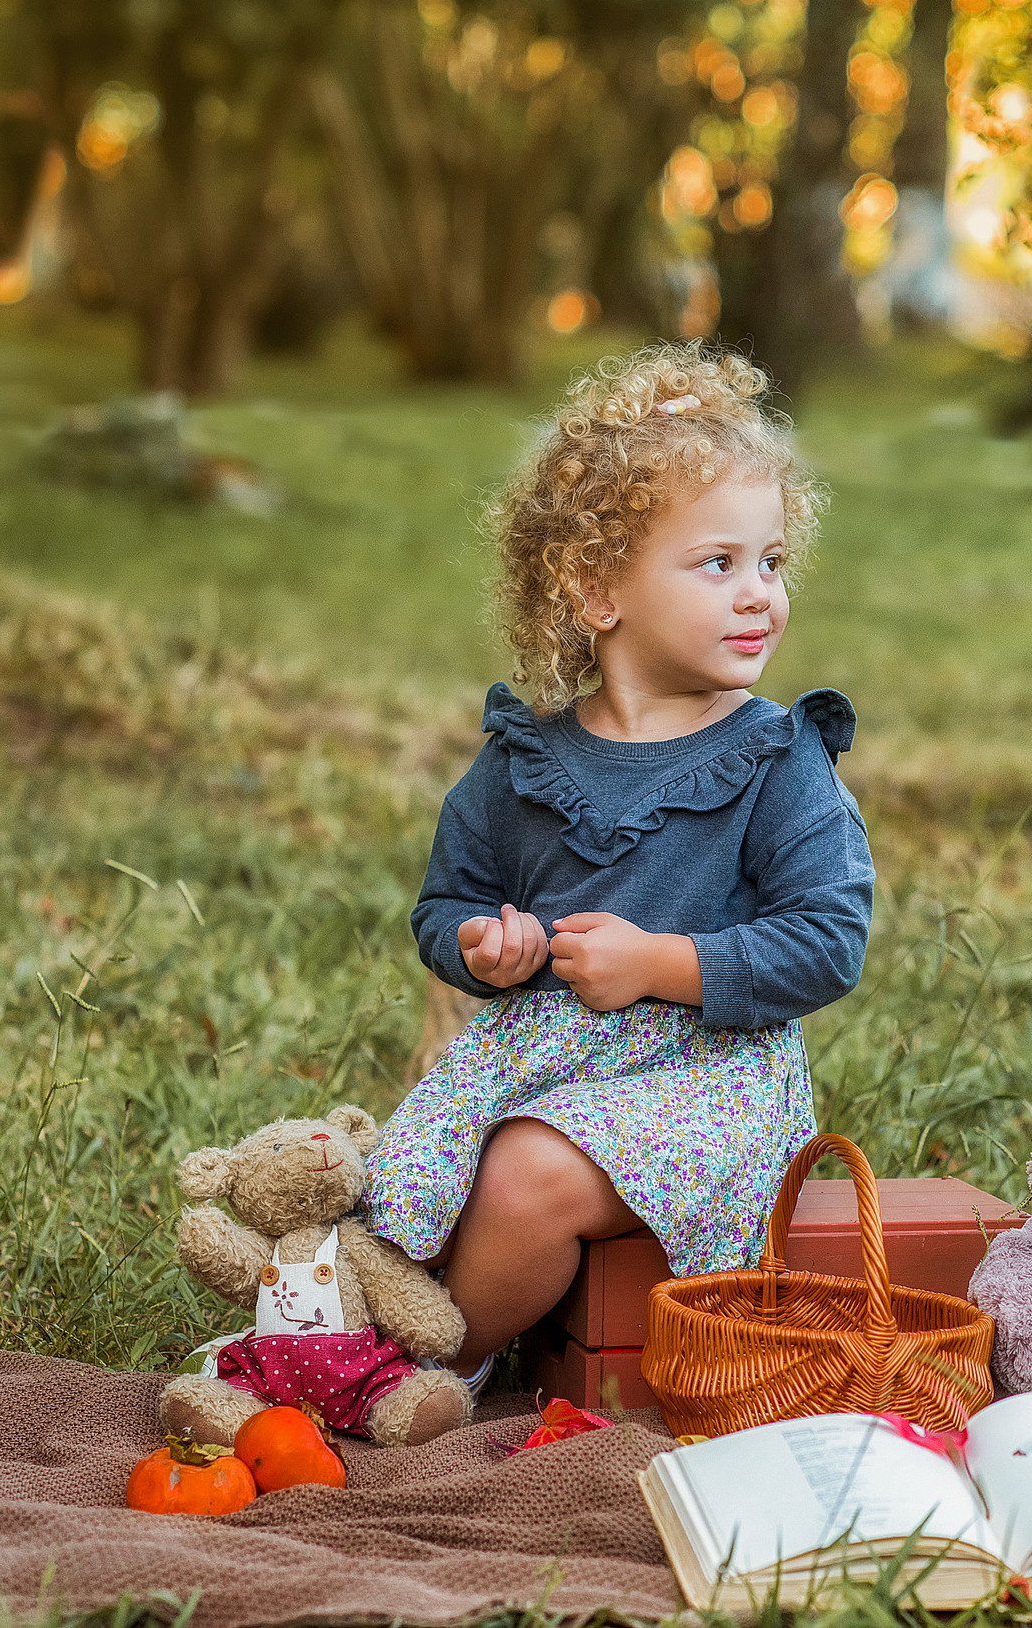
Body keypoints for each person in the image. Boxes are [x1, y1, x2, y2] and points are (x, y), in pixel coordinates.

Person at [365, 341, 873, 1391]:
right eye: (717, 563)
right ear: (598, 589)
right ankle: (340, 1328)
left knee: (527, 1172)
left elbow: (827, 941)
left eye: (771, 561)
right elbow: (448, 899)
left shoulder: (780, 761)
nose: (758, 595)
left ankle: (434, 1364)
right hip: (541, 1056)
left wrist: (661, 962)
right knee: (400, 1177)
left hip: (706, 1075)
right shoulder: (525, 761)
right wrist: (480, 946)